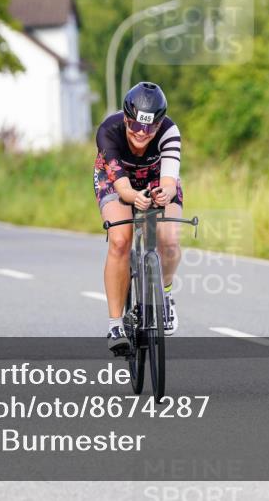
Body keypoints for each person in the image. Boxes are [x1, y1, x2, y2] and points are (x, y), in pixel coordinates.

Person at [94, 82, 183, 354]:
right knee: (120, 240)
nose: (142, 133)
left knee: (169, 240)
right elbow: (122, 189)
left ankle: (165, 294)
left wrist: (164, 195)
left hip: (156, 177)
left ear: (159, 124)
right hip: (117, 179)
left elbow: (169, 182)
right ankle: (115, 324)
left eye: (150, 127)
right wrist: (134, 197)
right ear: (126, 118)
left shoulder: (169, 131)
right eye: (135, 125)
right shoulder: (108, 131)